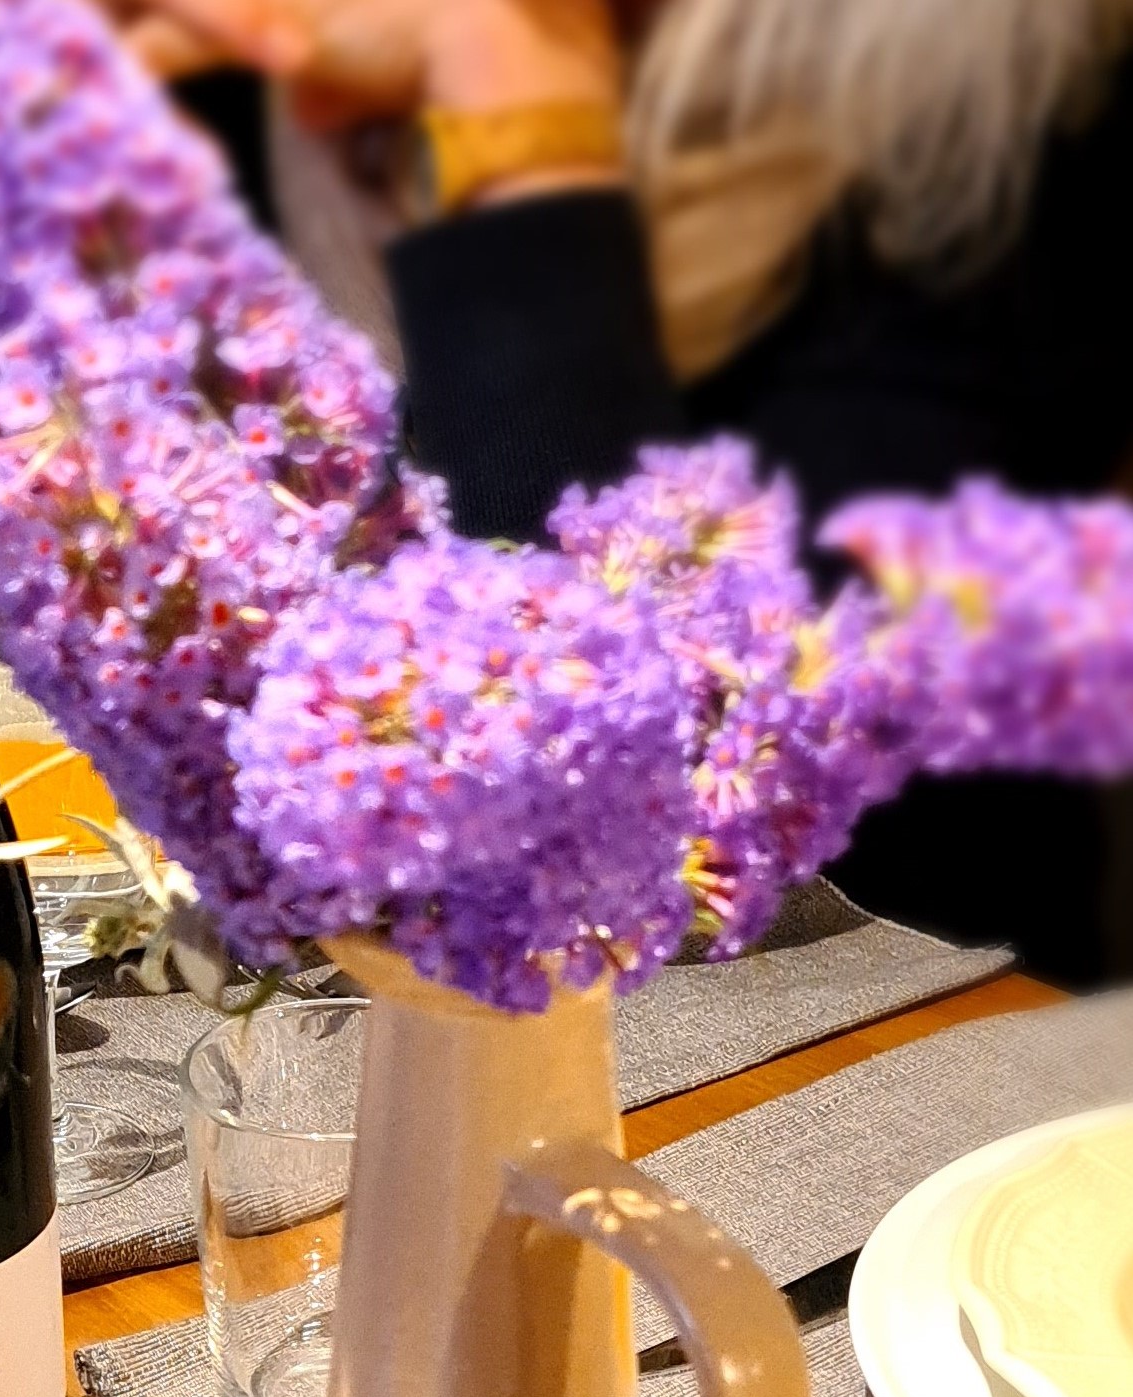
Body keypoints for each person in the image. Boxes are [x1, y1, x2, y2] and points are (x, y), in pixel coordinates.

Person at [111, 0, 1133, 982]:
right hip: (396, 975)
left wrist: (507, 108)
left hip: (901, 1016)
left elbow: (612, 758)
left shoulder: (986, 117)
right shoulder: (269, 95)